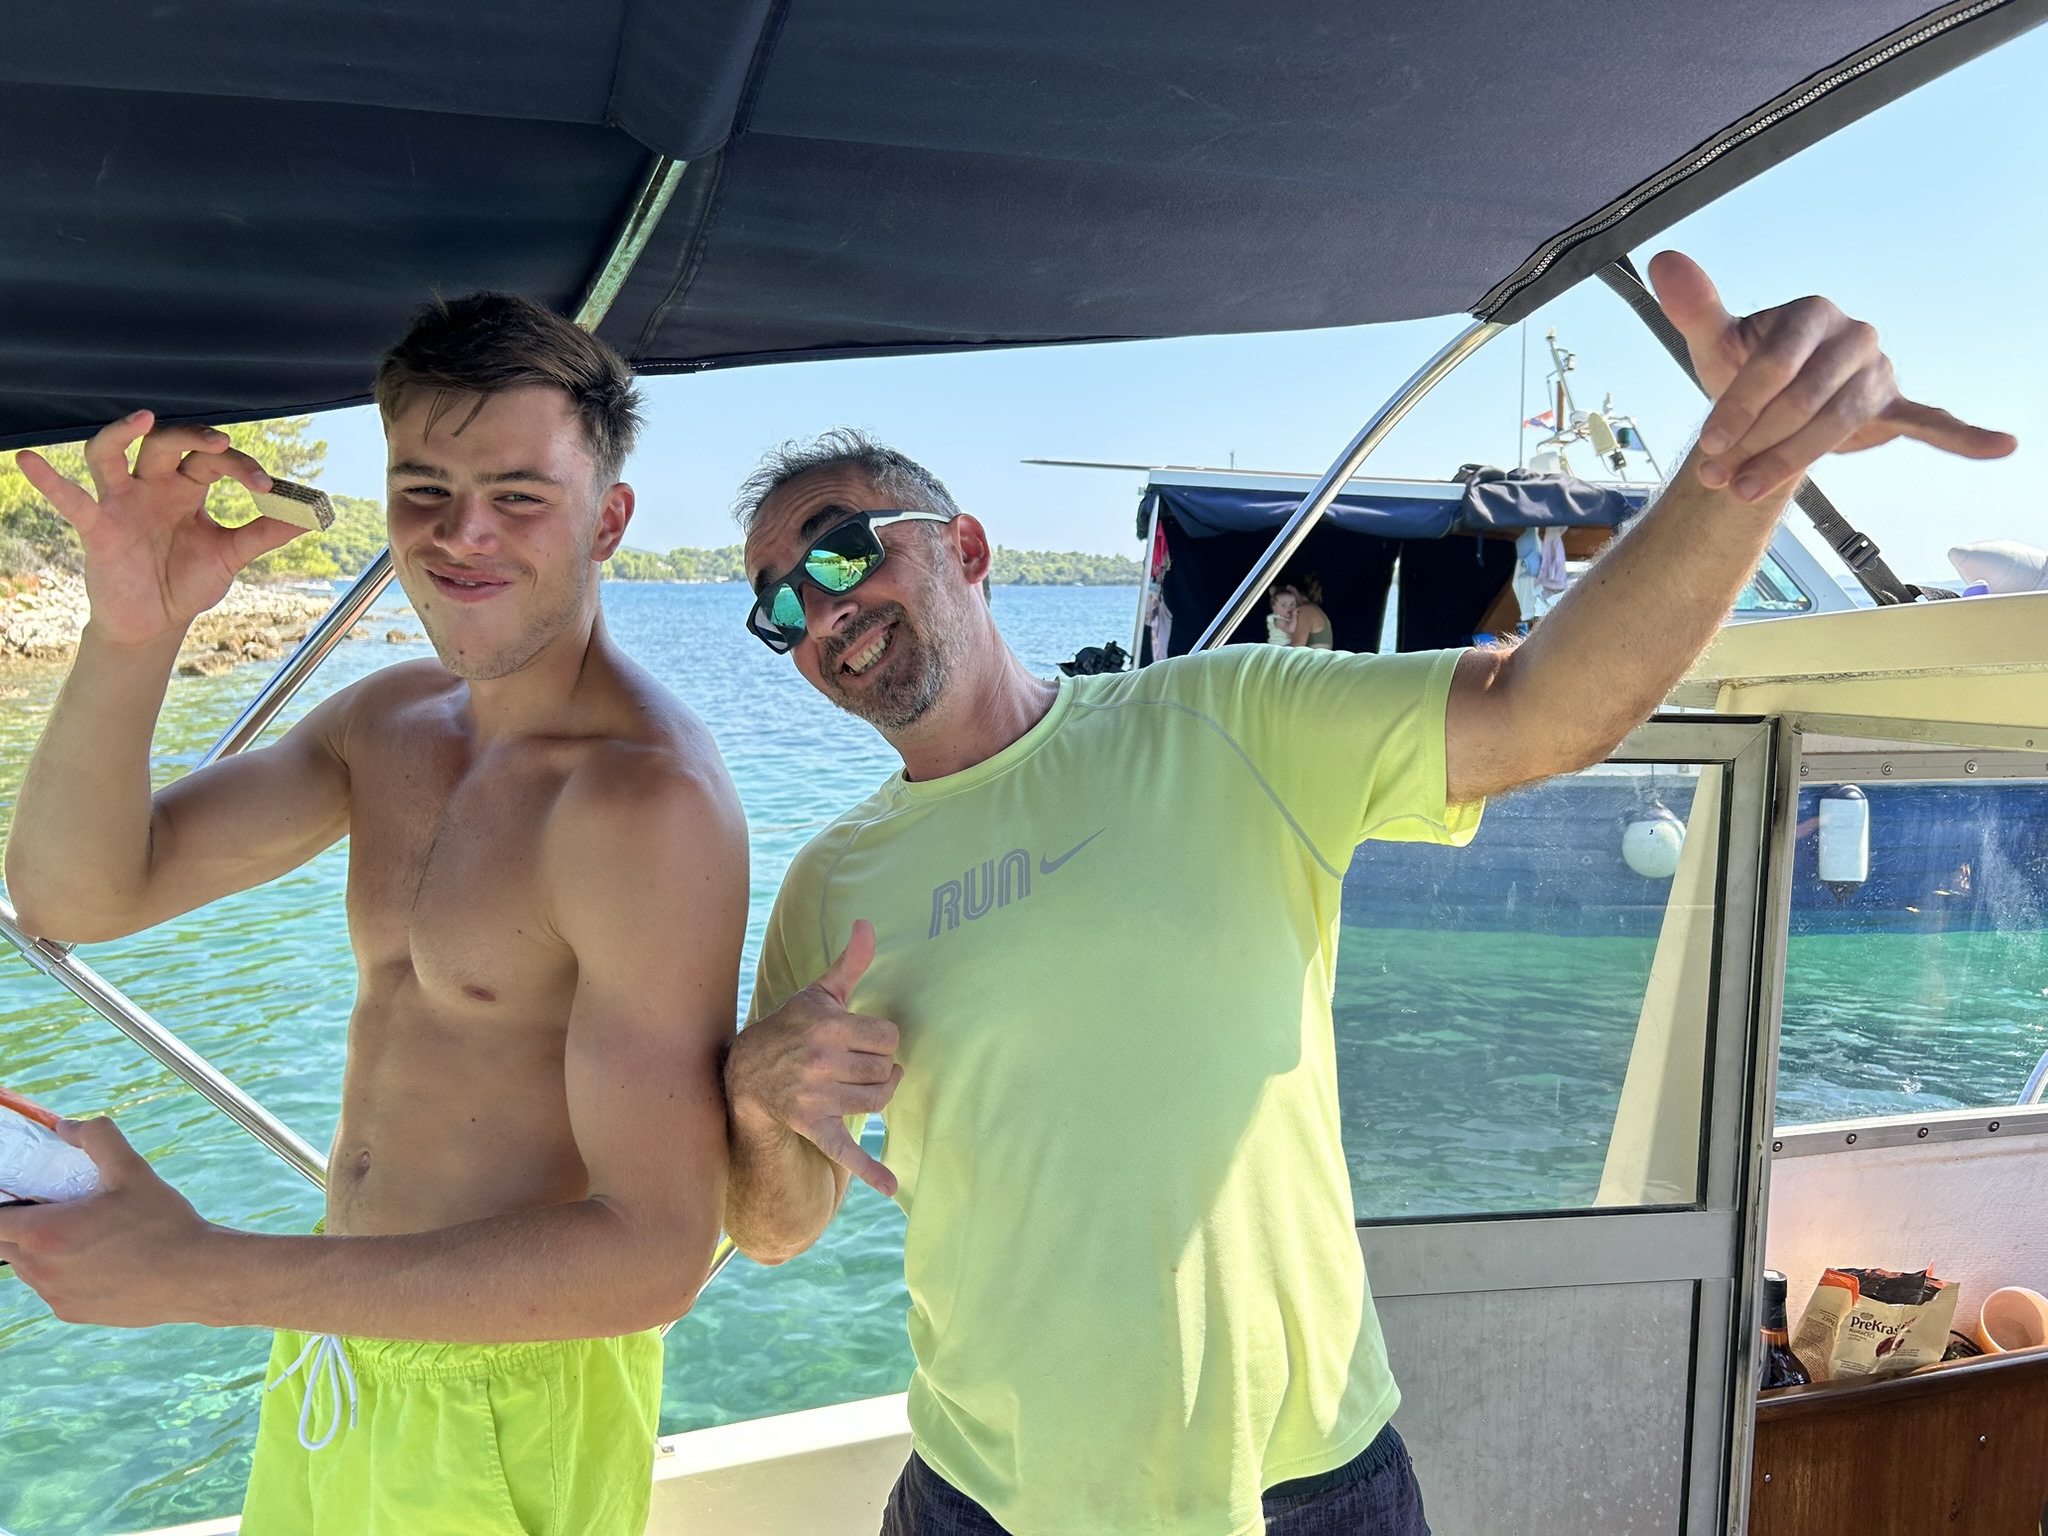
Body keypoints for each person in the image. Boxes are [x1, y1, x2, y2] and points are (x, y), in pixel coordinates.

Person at [717, 253, 2012, 1536]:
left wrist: (1742, 474)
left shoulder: (1225, 718)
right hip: (981, 1496)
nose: (816, 615)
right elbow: (778, 1230)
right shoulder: (830, 884)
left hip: (1304, 1490)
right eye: (778, 610)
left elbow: (1544, 712)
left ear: (964, 547)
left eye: (837, 558)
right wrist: (757, 1104)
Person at [0, 296, 746, 1535]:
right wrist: (134, 630)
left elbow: (654, 1255)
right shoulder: (389, 722)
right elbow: (80, 893)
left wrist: (204, 1274)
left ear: (608, 520)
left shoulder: (640, 804)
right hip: (334, 1329)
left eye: (519, 495)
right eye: (423, 489)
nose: (462, 535)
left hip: (507, 1389)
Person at [1268, 577, 1334, 649]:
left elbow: (1297, 645)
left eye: (1276, 596)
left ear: (1290, 589)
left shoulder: (1304, 610)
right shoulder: (1311, 608)